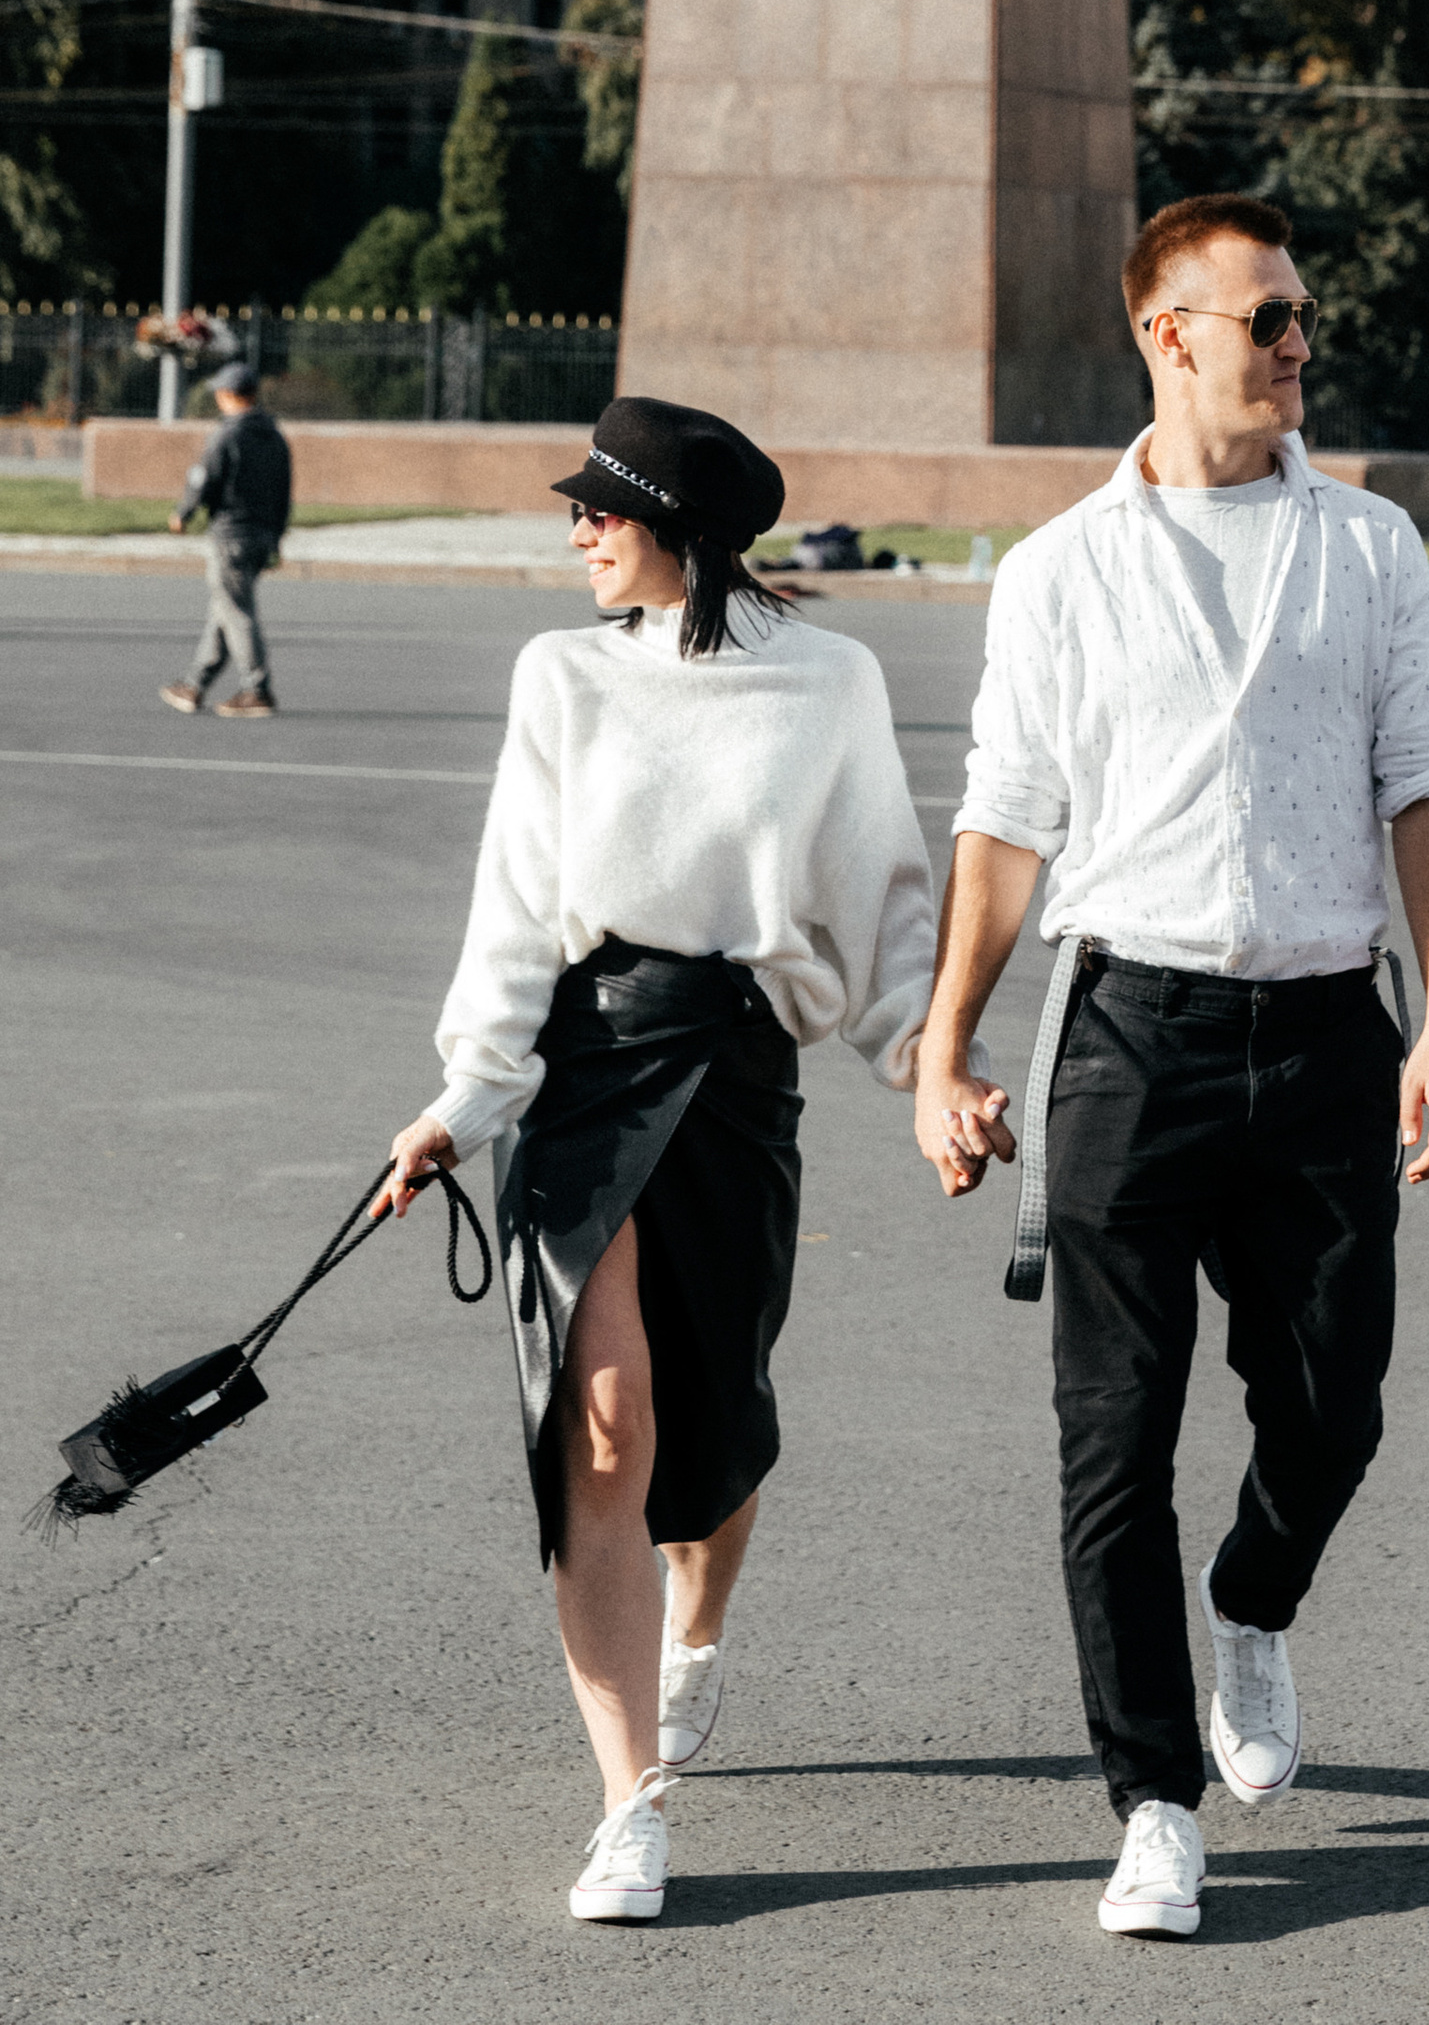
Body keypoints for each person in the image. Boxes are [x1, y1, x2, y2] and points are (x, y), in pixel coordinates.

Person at [914, 192, 1429, 1942]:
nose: (1299, 341)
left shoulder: (1369, 546)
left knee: (1335, 1404)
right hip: (1127, 1038)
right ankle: (1152, 1801)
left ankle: (1256, 1598)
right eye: (1271, 318)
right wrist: (946, 1047)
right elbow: (1007, 824)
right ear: (1170, 333)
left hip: (1325, 1033)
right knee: (1111, 1443)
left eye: (1300, 315)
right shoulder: (1062, 568)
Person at [373, 395, 954, 1929]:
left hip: (742, 1066)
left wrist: (929, 1063)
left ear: (677, 531)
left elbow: (885, 891)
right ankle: (630, 1805)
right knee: (610, 1424)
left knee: (719, 1419)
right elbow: (514, 898)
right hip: (585, 1065)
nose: (574, 533)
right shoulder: (560, 676)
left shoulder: (832, 680)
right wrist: (462, 1100)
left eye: (599, 512)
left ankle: (698, 1628)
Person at [161, 367, 292, 721]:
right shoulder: (275, 436)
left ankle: (257, 690)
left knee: (236, 612)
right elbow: (284, 494)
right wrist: (276, 539)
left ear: (230, 395)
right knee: (225, 610)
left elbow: (204, 478)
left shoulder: (227, 435)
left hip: (231, 533)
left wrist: (183, 513)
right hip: (262, 535)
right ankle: (194, 684)